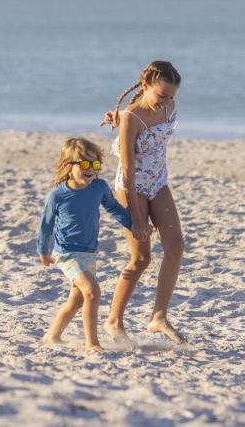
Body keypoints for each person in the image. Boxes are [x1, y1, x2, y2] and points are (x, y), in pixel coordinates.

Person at [101, 60, 186, 343]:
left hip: (158, 181)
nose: (167, 101)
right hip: (131, 187)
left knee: (176, 245)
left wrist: (164, 103)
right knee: (141, 258)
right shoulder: (131, 117)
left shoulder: (168, 106)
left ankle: (158, 317)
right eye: (162, 94)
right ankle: (114, 321)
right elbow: (127, 171)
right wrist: (137, 219)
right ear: (146, 85)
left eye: (172, 95)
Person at [37, 138, 133, 351]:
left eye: (96, 165)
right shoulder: (58, 195)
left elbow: (114, 207)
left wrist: (133, 224)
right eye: (86, 165)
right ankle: (93, 344)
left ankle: (52, 336)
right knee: (92, 291)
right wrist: (43, 251)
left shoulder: (99, 187)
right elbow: (46, 225)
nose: (92, 170)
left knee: (77, 300)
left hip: (88, 253)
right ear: (68, 167)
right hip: (66, 253)